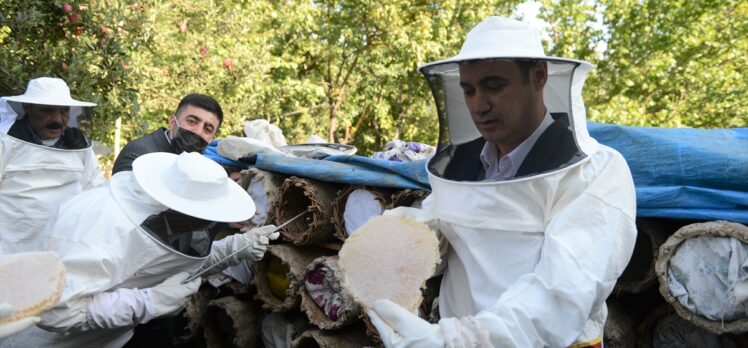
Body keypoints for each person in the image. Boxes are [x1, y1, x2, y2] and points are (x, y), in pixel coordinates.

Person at [367, 17, 637, 347]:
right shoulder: (460, 163)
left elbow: (564, 292)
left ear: (538, 76)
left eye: (494, 86)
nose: (479, 105)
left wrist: (459, 341)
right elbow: (446, 229)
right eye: (469, 90)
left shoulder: (594, 172)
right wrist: (404, 238)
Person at [0, 152, 276, 347]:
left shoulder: (167, 217)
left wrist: (234, 248)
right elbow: (54, 310)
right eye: (207, 213)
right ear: (182, 207)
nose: (210, 220)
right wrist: (147, 302)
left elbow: (170, 267)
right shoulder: (100, 231)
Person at [0, 77, 104, 255]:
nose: (56, 119)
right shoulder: (6, 142)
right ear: (27, 107)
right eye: (46, 110)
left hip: (62, 244)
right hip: (11, 246)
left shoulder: (78, 144)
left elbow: (94, 189)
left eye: (64, 111)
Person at [111, 93, 222, 174]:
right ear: (173, 122)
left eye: (207, 129)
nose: (198, 131)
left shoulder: (202, 165)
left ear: (213, 137)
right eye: (192, 121)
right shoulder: (140, 153)